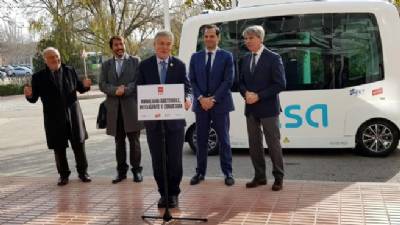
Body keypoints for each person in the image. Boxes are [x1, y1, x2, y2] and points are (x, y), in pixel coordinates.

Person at [136, 30, 192, 208]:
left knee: (175, 160)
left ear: (172, 46)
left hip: (175, 123)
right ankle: (163, 194)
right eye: (161, 43)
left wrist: (188, 98)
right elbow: (138, 91)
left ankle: (174, 194)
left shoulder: (180, 65)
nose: (164, 47)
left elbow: (187, 88)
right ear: (155, 45)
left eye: (168, 44)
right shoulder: (144, 66)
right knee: (158, 160)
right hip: (153, 124)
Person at [24, 47, 92, 186]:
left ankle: (83, 173)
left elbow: (80, 87)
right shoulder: (39, 77)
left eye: (56, 56)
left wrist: (86, 86)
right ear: (45, 60)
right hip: (54, 118)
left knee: (79, 145)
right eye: (51, 57)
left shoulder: (69, 70)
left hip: (73, 115)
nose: (55, 59)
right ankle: (63, 175)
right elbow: (34, 98)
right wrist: (29, 95)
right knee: (59, 148)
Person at [239, 25, 286, 191]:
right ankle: (259, 177)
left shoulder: (273, 58)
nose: (247, 41)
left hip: (268, 108)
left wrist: (258, 96)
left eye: (251, 38)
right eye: (246, 39)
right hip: (250, 108)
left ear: (260, 39)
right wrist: (246, 94)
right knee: (254, 144)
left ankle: (278, 178)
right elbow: (241, 83)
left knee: (273, 144)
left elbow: (280, 84)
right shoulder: (245, 58)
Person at [188, 24, 235, 186]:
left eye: (211, 36)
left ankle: (228, 173)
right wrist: (201, 98)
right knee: (201, 140)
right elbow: (191, 80)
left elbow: (228, 81)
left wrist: (213, 99)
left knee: (224, 140)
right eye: (206, 36)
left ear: (218, 37)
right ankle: (200, 173)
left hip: (220, 104)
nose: (208, 39)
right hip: (201, 105)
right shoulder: (195, 57)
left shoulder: (227, 56)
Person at [99, 36, 144, 184]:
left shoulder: (135, 61)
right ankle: (121, 172)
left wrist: (125, 90)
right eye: (116, 45)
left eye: (121, 44)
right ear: (111, 47)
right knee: (119, 142)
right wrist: (114, 90)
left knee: (134, 141)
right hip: (114, 109)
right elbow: (102, 84)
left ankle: (137, 171)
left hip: (131, 107)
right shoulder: (106, 65)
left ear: (125, 45)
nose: (119, 47)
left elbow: (138, 81)